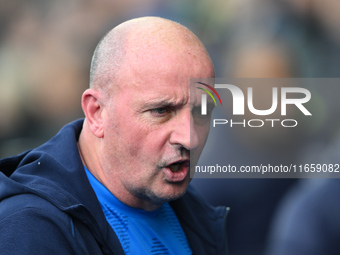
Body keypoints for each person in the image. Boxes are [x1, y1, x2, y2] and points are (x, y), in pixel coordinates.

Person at [0, 16, 228, 255]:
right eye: (161, 111)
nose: (189, 139)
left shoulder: (194, 213)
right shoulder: (30, 229)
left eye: (201, 112)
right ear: (97, 112)